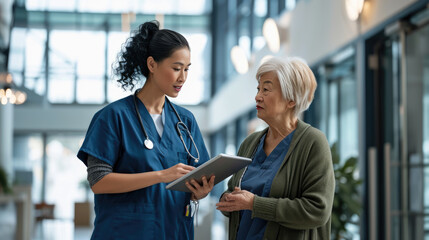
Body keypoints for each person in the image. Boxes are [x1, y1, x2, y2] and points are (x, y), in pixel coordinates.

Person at [77, 20, 215, 240]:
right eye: (176, 68)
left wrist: (200, 192)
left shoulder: (185, 121)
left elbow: (197, 177)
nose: (183, 78)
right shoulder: (113, 117)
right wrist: (161, 176)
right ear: (152, 65)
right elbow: (98, 181)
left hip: (174, 231)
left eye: (187, 69)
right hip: (124, 233)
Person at [216, 57, 335, 239]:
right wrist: (229, 199)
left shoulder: (313, 142)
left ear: (291, 100)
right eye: (258, 89)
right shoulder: (250, 143)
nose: (257, 96)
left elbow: (317, 210)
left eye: (266, 89)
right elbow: (235, 189)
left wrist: (255, 204)